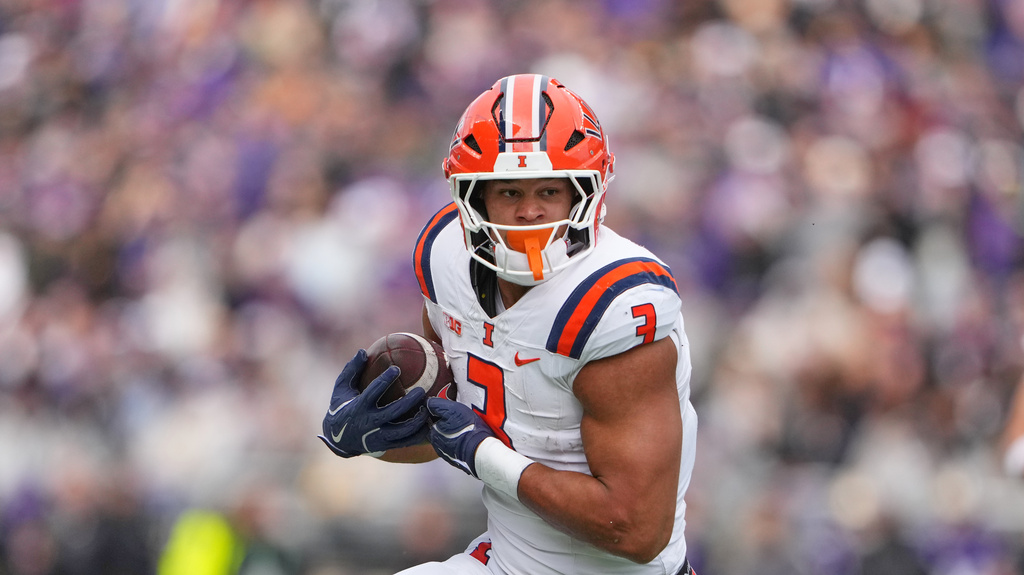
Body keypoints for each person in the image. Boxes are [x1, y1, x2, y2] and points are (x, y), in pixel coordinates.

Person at [319, 74, 698, 575]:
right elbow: (447, 429)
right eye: (509, 193)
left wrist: (483, 455)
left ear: (586, 193)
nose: (531, 212)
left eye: (548, 190)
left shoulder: (611, 305)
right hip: (506, 560)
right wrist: (369, 436)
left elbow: (636, 530)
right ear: (472, 199)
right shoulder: (445, 258)